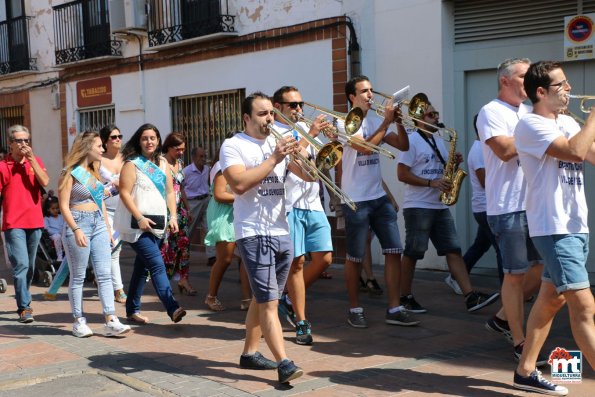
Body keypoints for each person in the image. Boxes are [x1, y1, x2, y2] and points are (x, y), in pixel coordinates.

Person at [513, 60, 595, 396]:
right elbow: (575, 153)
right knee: (585, 306)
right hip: (554, 226)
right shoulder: (531, 125)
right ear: (541, 92)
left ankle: (526, 370)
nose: (570, 89)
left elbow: (590, 154)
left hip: (575, 225)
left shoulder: (565, 121)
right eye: (561, 85)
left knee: (551, 301)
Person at [221, 92, 307, 384]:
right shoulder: (234, 146)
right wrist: (275, 157)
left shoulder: (277, 143)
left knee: (264, 297)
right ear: (247, 118)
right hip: (254, 232)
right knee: (270, 301)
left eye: (271, 113)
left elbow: (309, 176)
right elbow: (239, 184)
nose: (270, 118)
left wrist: (307, 148)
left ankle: (249, 354)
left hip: (281, 229)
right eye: (262, 114)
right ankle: (284, 362)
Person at [397, 99, 500, 314]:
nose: (437, 118)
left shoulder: (439, 139)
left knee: (453, 249)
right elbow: (402, 173)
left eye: (436, 114)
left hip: (439, 205)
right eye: (431, 115)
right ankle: (404, 296)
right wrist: (430, 183)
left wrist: (454, 164)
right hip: (418, 205)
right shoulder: (412, 141)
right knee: (413, 252)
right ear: (419, 119)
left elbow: (440, 170)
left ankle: (470, 296)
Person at [477, 58, 545, 365]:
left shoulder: (531, 111)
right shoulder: (491, 111)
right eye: (524, 76)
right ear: (506, 81)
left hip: (535, 204)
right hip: (507, 206)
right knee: (514, 275)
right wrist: (536, 134)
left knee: (543, 269)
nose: (530, 81)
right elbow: (504, 151)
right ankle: (519, 340)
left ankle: (503, 318)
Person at [338, 75, 414, 329]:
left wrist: (399, 123)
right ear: (352, 97)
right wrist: (386, 121)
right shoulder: (345, 123)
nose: (371, 95)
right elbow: (366, 149)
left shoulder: (375, 120)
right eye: (364, 91)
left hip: (378, 198)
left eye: (371, 90)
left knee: (394, 251)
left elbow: (402, 145)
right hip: (356, 200)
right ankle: (354, 308)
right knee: (355, 257)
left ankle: (394, 307)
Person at [271, 85, 334, 345]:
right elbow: (289, 159)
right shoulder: (276, 133)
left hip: (313, 203)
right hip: (290, 204)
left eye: (300, 104)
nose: (299, 109)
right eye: (292, 105)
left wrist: (332, 140)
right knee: (296, 264)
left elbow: (323, 163)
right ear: (278, 108)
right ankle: (301, 320)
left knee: (325, 259)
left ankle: (286, 297)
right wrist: (310, 134)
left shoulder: (307, 131)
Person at [58, 131, 130, 337]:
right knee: (79, 275)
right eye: (99, 146)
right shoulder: (69, 172)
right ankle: (78, 321)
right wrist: (76, 229)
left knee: (105, 274)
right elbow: (63, 206)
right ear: (87, 147)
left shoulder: (95, 171)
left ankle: (110, 319)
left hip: (99, 222)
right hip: (78, 222)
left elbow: (100, 202)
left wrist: (107, 229)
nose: (103, 149)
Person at [115, 123, 186, 325]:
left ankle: (132, 309)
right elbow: (124, 193)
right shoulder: (132, 164)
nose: (149, 142)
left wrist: (173, 216)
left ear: (158, 141)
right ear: (139, 141)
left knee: (142, 268)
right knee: (156, 265)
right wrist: (139, 217)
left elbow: (170, 192)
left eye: (153, 138)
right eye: (145, 138)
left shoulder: (163, 163)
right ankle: (172, 308)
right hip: (138, 225)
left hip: (158, 224)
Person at [445, 114, 504, 295]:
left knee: (481, 245)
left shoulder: (486, 148)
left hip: (488, 208)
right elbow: (485, 182)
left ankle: (455, 276)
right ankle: (509, 289)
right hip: (485, 209)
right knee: (502, 249)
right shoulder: (478, 150)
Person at [0, 125, 49, 323]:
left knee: (29, 267)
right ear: (10, 144)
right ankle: (24, 307)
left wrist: (30, 161)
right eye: (19, 141)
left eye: (26, 140)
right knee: (21, 264)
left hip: (35, 222)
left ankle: (24, 299)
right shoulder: (3, 165)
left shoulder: (35, 161)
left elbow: (45, 181)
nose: (24, 144)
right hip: (14, 224)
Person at [204, 137, 252, 311]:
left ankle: (247, 299)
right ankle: (211, 296)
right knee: (224, 258)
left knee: (246, 259)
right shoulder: (221, 167)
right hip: (224, 215)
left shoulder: (239, 166)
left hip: (238, 212)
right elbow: (219, 194)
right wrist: (244, 197)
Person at [160, 132, 194, 295]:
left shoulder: (180, 163)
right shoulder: (160, 162)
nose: (181, 152)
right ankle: (164, 284)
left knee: (185, 245)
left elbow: (181, 188)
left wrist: (187, 208)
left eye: (183, 149)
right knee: (168, 247)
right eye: (178, 149)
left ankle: (184, 279)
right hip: (165, 211)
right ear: (169, 147)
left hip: (180, 211)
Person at [99, 124, 127, 304]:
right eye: (113, 137)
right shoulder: (98, 160)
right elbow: (92, 185)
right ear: (105, 141)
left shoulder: (126, 159)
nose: (118, 140)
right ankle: (118, 288)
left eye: (119, 136)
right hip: (104, 209)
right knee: (113, 249)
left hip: (123, 209)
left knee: (117, 249)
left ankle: (102, 276)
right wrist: (106, 189)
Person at [183, 146, 215, 266]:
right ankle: (183, 255)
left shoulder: (207, 169)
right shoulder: (186, 171)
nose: (203, 159)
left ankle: (212, 256)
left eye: (204, 156)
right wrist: (186, 207)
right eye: (200, 156)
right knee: (189, 230)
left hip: (206, 200)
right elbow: (181, 188)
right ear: (193, 157)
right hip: (192, 203)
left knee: (209, 228)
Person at [43, 195, 65, 261]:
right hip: (53, 235)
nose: (56, 210)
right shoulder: (47, 218)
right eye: (53, 209)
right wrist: (58, 232)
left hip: (63, 233)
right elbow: (47, 229)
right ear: (48, 209)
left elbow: (65, 225)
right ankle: (59, 256)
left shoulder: (61, 216)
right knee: (57, 237)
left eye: (57, 208)